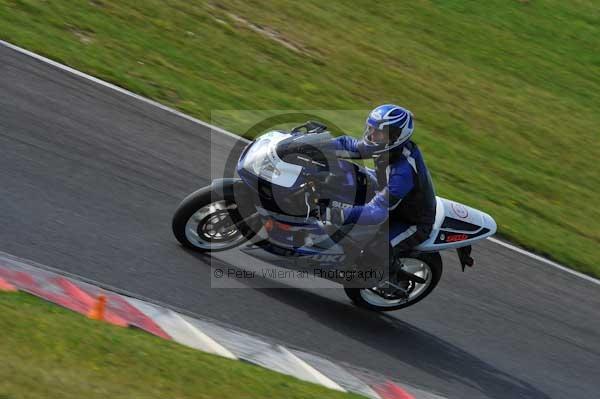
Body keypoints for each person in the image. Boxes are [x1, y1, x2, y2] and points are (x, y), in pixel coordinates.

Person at [320, 104, 437, 267]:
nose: (372, 135)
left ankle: (387, 278)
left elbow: (377, 212)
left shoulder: (404, 171)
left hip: (410, 220)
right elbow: (350, 146)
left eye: (379, 132)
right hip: (385, 190)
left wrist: (337, 214)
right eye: (371, 129)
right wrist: (316, 145)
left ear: (396, 136)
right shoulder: (385, 145)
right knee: (344, 175)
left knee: (374, 254)